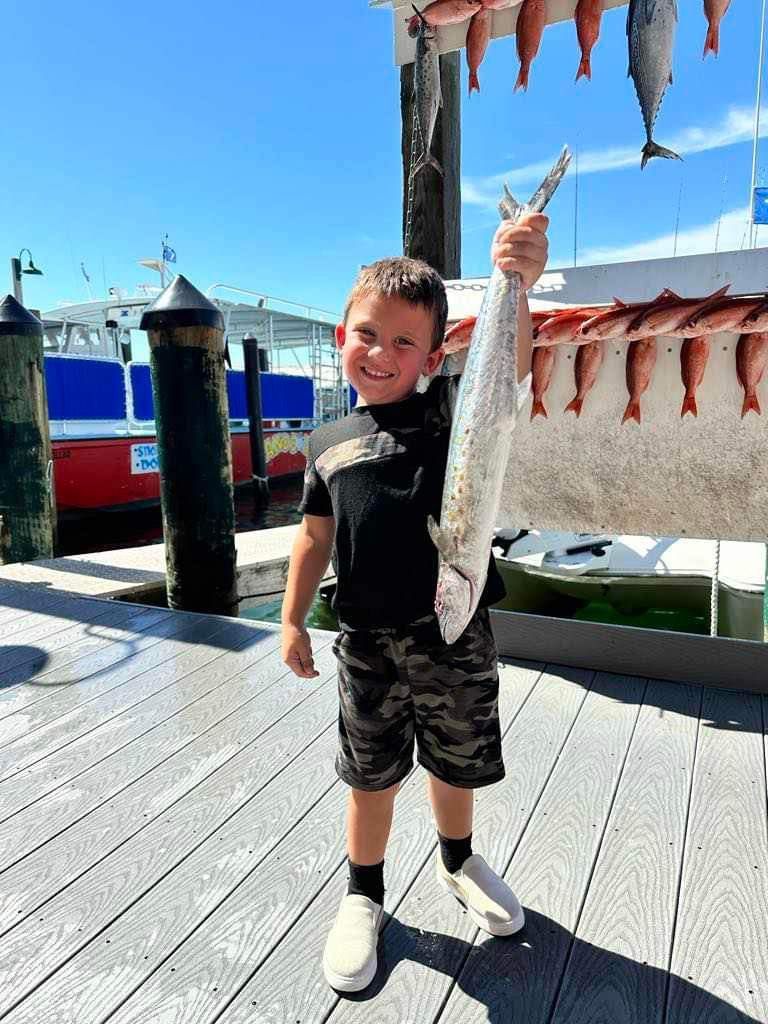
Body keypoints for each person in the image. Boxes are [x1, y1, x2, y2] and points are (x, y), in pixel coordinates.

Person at [281, 213, 549, 993]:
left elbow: (510, 372)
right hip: (366, 643)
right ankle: (363, 893)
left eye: (406, 344)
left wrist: (518, 282)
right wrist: (293, 618)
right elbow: (311, 538)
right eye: (370, 335)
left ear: (434, 358)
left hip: (454, 632)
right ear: (342, 336)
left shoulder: (447, 416)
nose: (383, 354)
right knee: (369, 776)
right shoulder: (327, 440)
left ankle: (459, 859)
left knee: (455, 759)